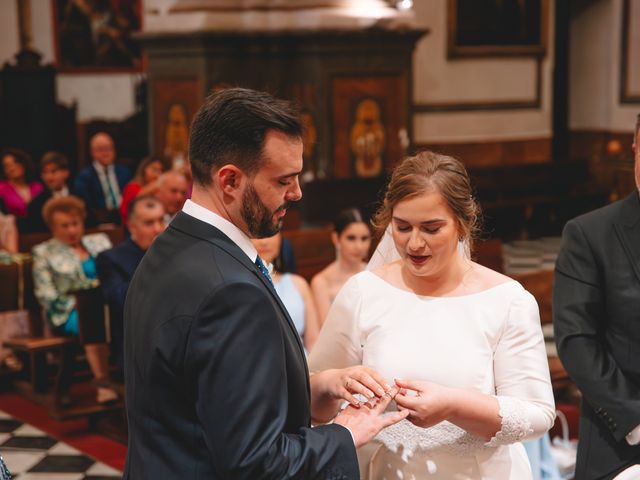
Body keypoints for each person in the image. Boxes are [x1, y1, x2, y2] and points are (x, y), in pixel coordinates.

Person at [123, 87, 407, 479]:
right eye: (284, 180)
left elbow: (205, 398)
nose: (297, 192)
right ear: (229, 181)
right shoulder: (231, 292)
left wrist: (317, 386)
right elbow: (255, 462)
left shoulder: (170, 247)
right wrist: (343, 434)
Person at [309, 151, 556, 479]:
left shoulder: (507, 300)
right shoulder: (363, 292)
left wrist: (452, 405)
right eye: (402, 227)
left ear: (462, 224)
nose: (414, 243)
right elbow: (310, 401)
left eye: (431, 228)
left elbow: (536, 415)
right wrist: (332, 381)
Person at [553, 115, 640, 480]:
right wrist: (635, 419)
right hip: (623, 446)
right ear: (636, 145)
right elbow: (577, 341)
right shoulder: (590, 234)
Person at [32, 196, 117, 404]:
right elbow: (45, 294)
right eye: (64, 226)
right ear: (52, 227)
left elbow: (115, 274)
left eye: (75, 224)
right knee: (91, 317)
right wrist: (80, 304)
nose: (72, 230)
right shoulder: (43, 252)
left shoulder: (98, 242)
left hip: (106, 305)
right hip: (67, 312)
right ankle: (103, 383)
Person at [97, 195, 165, 375]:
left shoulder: (178, 252)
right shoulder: (111, 258)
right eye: (149, 223)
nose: (158, 229)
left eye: (161, 220)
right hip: (138, 344)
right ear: (132, 226)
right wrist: (155, 263)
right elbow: (119, 300)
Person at [252, 232, 320, 351]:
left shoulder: (299, 284)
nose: (264, 241)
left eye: (270, 234)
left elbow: (314, 342)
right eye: (257, 234)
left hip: (305, 364)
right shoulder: (240, 285)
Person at [311, 208, 371, 324]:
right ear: (336, 238)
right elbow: (326, 330)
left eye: (364, 238)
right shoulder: (321, 281)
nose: (359, 246)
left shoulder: (376, 272)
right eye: (351, 238)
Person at [74, 132, 131, 221]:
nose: (105, 153)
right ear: (92, 152)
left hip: (125, 217)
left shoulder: (124, 172)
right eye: (101, 149)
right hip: (99, 219)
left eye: (109, 149)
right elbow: (86, 205)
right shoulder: (85, 177)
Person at [25, 152, 77, 233]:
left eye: (53, 171)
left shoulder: (80, 197)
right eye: (45, 173)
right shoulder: (36, 205)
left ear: (66, 173)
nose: (49, 177)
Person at [118, 155, 167, 224]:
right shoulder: (132, 187)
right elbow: (130, 210)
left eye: (160, 171)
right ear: (144, 169)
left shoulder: (158, 189)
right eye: (154, 169)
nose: (157, 175)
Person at [0, 148, 43, 223]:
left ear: (24, 163)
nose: (12, 168)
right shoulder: (2, 189)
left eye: (16, 162)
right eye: (7, 166)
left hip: (40, 230)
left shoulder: (37, 187)